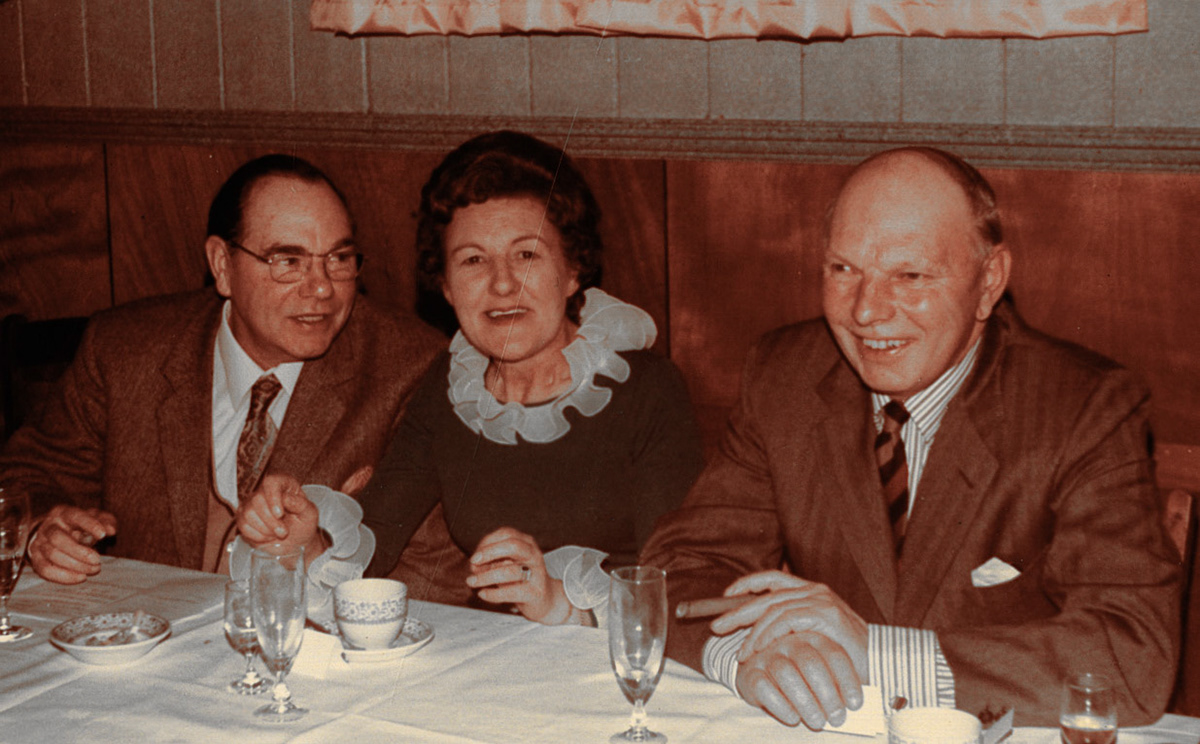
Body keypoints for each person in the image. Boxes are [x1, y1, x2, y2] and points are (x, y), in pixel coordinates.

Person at [640, 147, 1180, 728]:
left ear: (989, 281)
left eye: (911, 275)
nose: (867, 311)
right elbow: (676, 572)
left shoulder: (1082, 407)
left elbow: (1133, 656)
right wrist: (751, 653)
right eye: (843, 269)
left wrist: (875, 651)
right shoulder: (784, 377)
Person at [3, 154, 444, 593]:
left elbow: (433, 576)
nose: (323, 287)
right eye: (288, 261)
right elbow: (27, 475)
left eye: (340, 258)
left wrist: (318, 555)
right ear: (222, 265)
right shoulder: (125, 351)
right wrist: (43, 528)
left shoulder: (409, 366)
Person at [339, 130, 705, 626]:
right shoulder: (451, 388)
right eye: (473, 260)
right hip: (493, 657)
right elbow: (373, 540)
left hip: (612, 658)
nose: (502, 282)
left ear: (573, 270)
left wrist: (561, 602)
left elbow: (675, 585)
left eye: (527, 254)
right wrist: (304, 540)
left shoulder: (649, 391)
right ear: (446, 286)